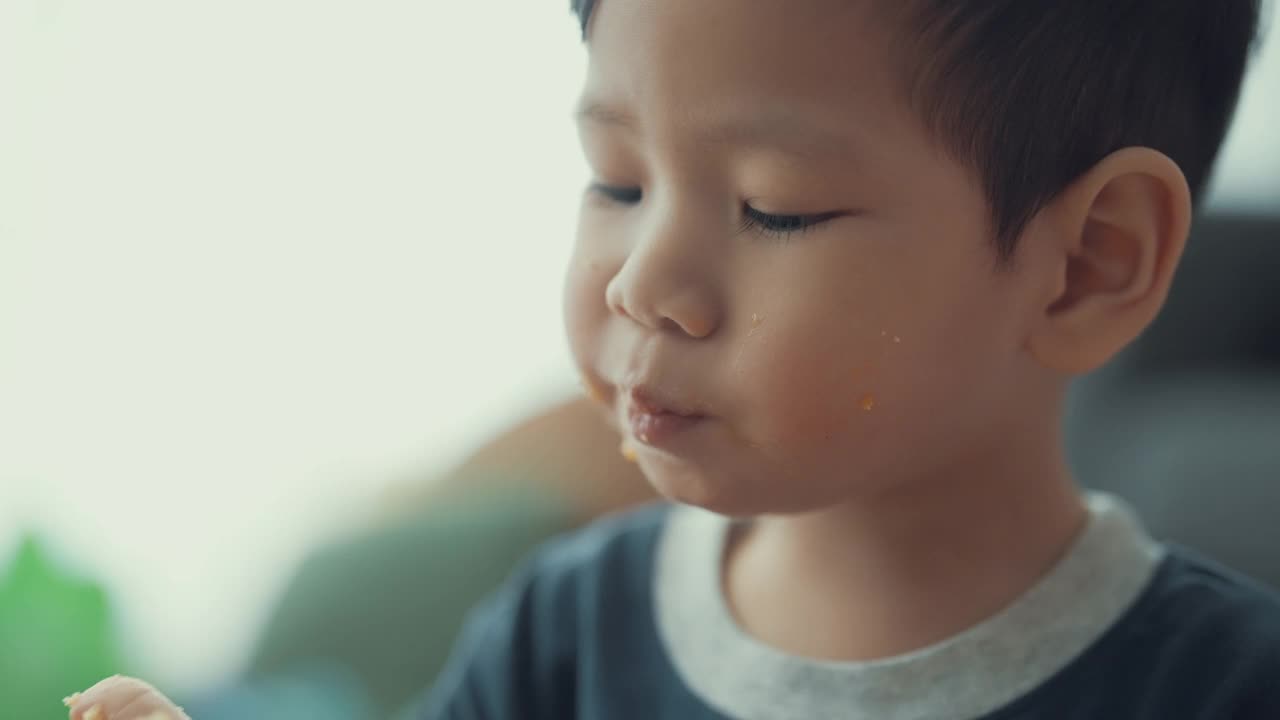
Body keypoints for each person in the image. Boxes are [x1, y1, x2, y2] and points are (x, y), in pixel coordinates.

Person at [66, 0, 1279, 718]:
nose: (640, 281)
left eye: (773, 206)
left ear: (1086, 265)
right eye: (618, 181)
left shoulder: (1218, 686)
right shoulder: (559, 637)